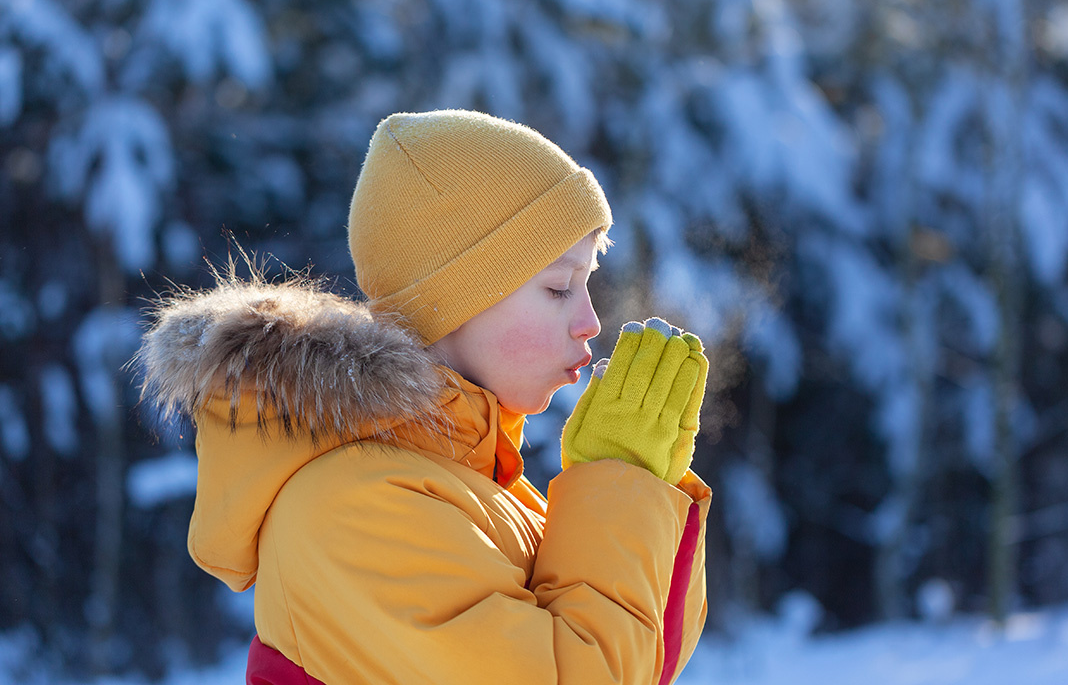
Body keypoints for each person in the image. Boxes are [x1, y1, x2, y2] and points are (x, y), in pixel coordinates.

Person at [137, 109, 712, 685]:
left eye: (587, 285)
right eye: (559, 287)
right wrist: (616, 487)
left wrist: (644, 489)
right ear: (457, 296)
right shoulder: (351, 509)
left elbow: (641, 660)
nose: (589, 321)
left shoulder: (480, 487)